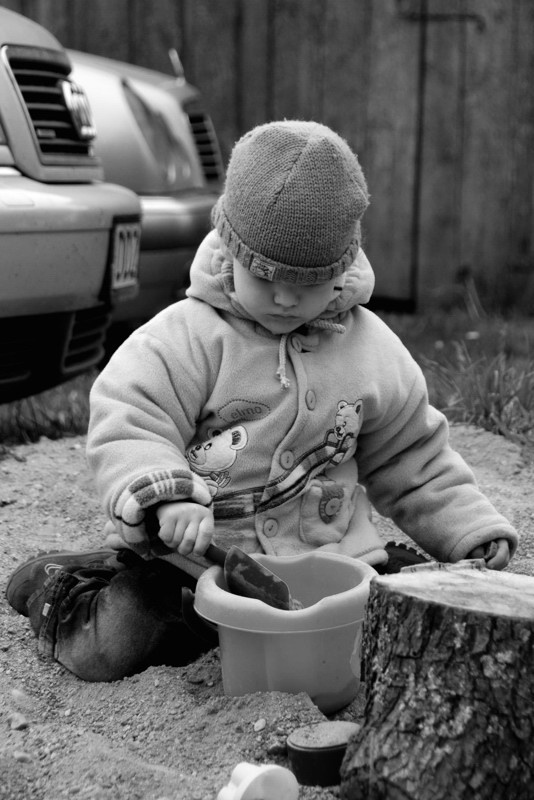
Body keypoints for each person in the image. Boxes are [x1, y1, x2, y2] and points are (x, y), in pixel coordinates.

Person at [6, 120, 518, 681]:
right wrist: (168, 499)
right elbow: (131, 419)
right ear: (231, 251)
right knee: (117, 641)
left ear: (342, 269)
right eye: (265, 276)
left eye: (308, 283)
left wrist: (468, 530)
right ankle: (62, 586)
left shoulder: (373, 352)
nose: (284, 298)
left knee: (407, 606)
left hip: (333, 558)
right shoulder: (186, 338)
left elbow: (412, 457)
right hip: (195, 563)